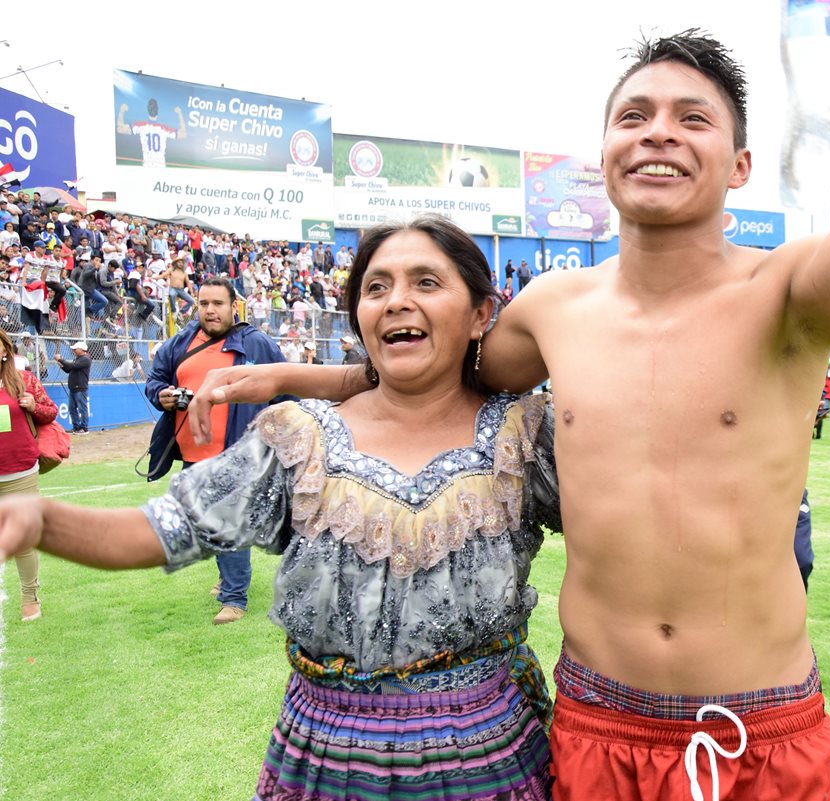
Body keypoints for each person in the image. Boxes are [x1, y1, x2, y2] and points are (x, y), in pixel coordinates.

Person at [187, 18, 830, 800]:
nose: (658, 133)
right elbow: (433, 370)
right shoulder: (552, 310)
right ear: (604, 159)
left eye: (692, 118)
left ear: (740, 166)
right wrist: (283, 376)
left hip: (755, 726)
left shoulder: (789, 293)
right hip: (599, 724)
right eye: (634, 117)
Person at [0, 217, 559, 800]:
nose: (396, 301)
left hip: (493, 760)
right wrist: (43, 521)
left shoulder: (522, 436)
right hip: (324, 763)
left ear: (480, 315)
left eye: (426, 283)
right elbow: (164, 530)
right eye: (375, 287)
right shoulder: (299, 438)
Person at [145, 277, 290, 625]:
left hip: (238, 455)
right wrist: (161, 395)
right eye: (204, 303)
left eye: (218, 304)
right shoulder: (179, 343)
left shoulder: (255, 344)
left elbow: (286, 389)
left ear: (232, 307)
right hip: (193, 455)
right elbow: (155, 380)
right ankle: (230, 575)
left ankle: (234, 598)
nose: (210, 310)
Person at [0, 329, 59, 621]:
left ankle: (29, 597)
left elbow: (50, 412)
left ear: (4, 350)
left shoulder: (23, 381)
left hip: (20, 471)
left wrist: (34, 407)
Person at [55, 341, 92, 435]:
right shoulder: (78, 359)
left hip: (80, 388)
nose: (74, 351)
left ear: (81, 349)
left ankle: (84, 428)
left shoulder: (85, 359)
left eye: (76, 349)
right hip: (73, 388)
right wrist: (60, 363)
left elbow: (72, 366)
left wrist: (61, 360)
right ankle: (76, 427)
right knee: (72, 409)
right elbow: (68, 369)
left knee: (82, 408)